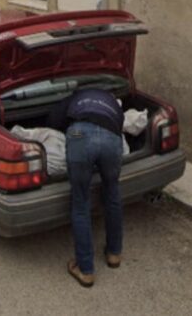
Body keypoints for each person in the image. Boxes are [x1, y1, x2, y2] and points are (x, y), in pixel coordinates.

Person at [48, 87, 124, 288]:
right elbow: (120, 123)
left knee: (81, 203)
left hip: (80, 134)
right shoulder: (111, 100)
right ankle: (114, 253)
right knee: (113, 193)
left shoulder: (74, 97)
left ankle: (86, 269)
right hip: (111, 137)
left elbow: (53, 120)